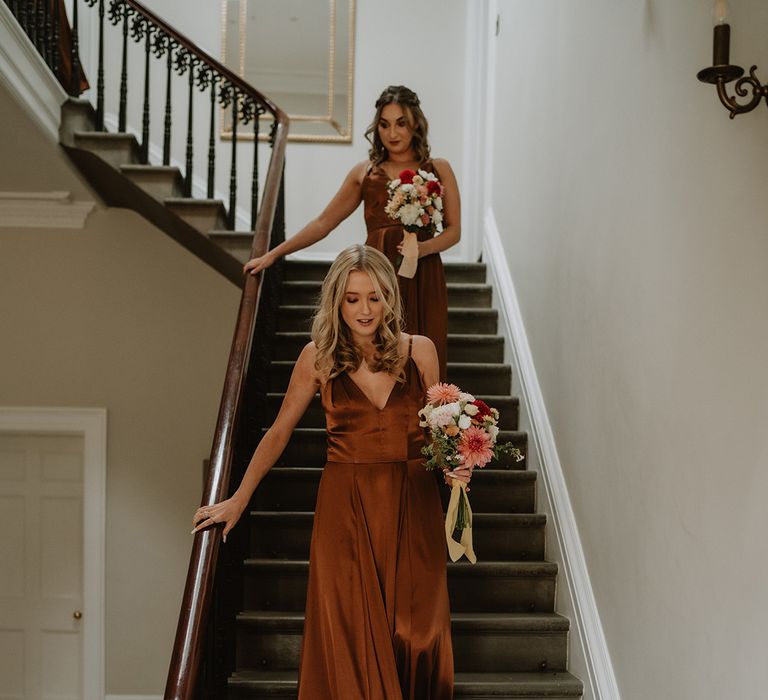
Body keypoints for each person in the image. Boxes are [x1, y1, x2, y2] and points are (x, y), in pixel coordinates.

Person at [192, 244, 472, 699]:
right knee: (351, 638)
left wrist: (459, 460)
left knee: (418, 633)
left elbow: (440, 428)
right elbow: (279, 432)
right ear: (336, 301)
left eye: (375, 297)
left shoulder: (420, 351)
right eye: (353, 298)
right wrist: (237, 500)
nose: (365, 309)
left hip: (414, 499)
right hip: (347, 506)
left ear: (389, 298)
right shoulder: (316, 358)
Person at [243, 85, 461, 379]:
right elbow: (323, 223)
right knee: (379, 353)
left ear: (416, 125)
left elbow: (454, 231)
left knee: (426, 354)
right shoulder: (365, 172)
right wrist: (274, 254)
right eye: (384, 124)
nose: (392, 133)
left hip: (425, 275)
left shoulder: (439, 168)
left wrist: (422, 249)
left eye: (401, 123)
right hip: (376, 276)